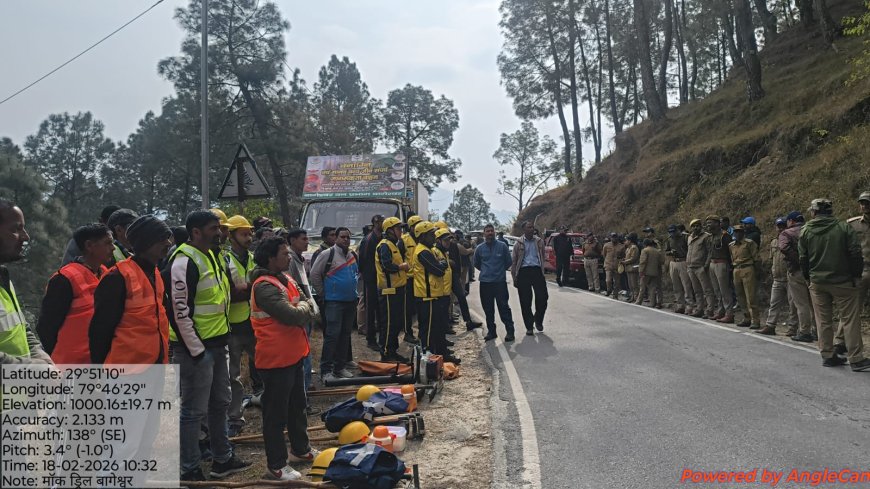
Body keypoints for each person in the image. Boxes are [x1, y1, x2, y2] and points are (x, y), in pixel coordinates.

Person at [164, 210, 249, 481]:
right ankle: (189, 469)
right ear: (196, 232)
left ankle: (222, 459)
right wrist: (197, 351)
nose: (220, 233)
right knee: (193, 412)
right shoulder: (183, 260)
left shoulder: (213, 255)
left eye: (221, 228)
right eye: (214, 228)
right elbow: (179, 312)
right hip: (195, 351)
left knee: (219, 403)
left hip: (217, 343)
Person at [249, 236, 319, 480]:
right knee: (275, 415)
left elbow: (307, 303)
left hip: (294, 355)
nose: (289, 258)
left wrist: (305, 308)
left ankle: (300, 450)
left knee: (297, 407)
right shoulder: (264, 286)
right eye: (284, 254)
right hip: (275, 359)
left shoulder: (285, 278)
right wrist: (306, 310)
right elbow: (292, 315)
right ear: (270, 258)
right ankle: (276, 465)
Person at [89, 215, 172, 365]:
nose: (168, 243)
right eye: (161, 239)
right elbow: (100, 330)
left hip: (155, 366)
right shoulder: (117, 277)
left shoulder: (156, 274)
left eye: (167, 238)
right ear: (146, 243)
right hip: (125, 373)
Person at [798, 198, 869, 371]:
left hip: (817, 282)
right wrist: (856, 276)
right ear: (830, 211)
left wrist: (808, 278)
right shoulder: (843, 227)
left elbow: (803, 258)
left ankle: (828, 355)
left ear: (814, 212)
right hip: (843, 282)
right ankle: (856, 358)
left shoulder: (806, 230)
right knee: (850, 319)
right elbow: (855, 254)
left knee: (823, 320)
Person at [37, 223, 113, 363]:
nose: (113, 248)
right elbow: (46, 327)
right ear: (89, 246)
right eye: (107, 243)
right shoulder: (64, 278)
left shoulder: (107, 275)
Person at [0, 200, 53, 364]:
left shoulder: (3, 278)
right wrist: (31, 371)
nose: (26, 236)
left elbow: (20, 326)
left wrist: (41, 356)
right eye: (16, 229)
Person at [310, 227, 359, 382]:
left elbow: (356, 274)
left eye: (348, 237)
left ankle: (340, 368)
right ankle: (326, 371)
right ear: (336, 238)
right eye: (342, 237)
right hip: (334, 303)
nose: (346, 239)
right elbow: (314, 274)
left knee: (345, 335)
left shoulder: (352, 255)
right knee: (332, 336)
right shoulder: (327, 254)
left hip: (350, 301)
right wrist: (324, 294)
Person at [224, 215, 256, 437]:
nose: (249, 237)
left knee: (267, 366)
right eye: (244, 234)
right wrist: (249, 288)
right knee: (232, 375)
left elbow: (259, 287)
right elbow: (231, 293)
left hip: (255, 322)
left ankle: (270, 404)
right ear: (231, 235)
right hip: (234, 325)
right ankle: (234, 417)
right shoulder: (225, 260)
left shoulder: (254, 258)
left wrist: (246, 287)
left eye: (250, 233)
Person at [412, 222, 457, 362]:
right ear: (423, 236)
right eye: (431, 234)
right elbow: (438, 270)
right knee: (429, 330)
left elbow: (440, 265)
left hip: (432, 296)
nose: (434, 237)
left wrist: (441, 264)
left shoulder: (428, 249)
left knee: (436, 328)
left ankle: (439, 354)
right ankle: (428, 357)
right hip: (427, 297)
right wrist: (442, 264)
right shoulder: (423, 252)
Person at [286, 228, 320, 413]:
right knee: (302, 358)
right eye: (303, 239)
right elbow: (294, 290)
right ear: (292, 240)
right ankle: (302, 401)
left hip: (304, 312)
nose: (307, 242)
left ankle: (304, 395)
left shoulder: (297, 258)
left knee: (305, 356)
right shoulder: (290, 259)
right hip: (299, 314)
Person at [375, 217, 411, 362]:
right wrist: (402, 266)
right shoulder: (384, 246)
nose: (401, 231)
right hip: (388, 291)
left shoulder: (393, 244)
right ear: (389, 230)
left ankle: (392, 350)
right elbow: (387, 266)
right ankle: (385, 352)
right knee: (388, 323)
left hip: (397, 289)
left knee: (396, 322)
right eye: (398, 229)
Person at [779, 211, 817, 342]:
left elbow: (783, 247)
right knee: (815, 303)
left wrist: (798, 260)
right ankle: (817, 331)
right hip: (814, 271)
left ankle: (805, 331)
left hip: (796, 271)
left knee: (802, 304)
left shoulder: (786, 233)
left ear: (791, 221)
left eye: (788, 221)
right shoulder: (812, 230)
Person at [474, 223, 515, 342]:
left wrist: (498, 272)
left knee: (504, 307)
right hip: (485, 283)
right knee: (488, 309)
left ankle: (510, 331)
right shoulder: (479, 248)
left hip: (499, 283)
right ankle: (492, 332)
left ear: (495, 232)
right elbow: (476, 263)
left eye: (492, 231)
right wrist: (487, 271)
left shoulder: (502, 246)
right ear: (484, 233)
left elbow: (508, 262)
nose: (490, 233)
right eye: (487, 231)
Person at [758, 218, 797, 336]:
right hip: (777, 278)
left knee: (793, 304)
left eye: (783, 226)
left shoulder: (792, 239)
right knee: (774, 303)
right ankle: (770, 325)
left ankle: (793, 327)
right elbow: (772, 259)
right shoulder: (774, 242)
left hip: (790, 276)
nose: (780, 228)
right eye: (778, 226)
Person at [511, 221, 548, 335]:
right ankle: (529, 326)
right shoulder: (518, 244)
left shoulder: (539, 242)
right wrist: (514, 277)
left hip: (537, 271)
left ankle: (538, 319)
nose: (531, 229)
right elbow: (514, 261)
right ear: (524, 230)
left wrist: (543, 271)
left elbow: (542, 256)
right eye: (529, 227)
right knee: (525, 301)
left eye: (532, 227)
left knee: (543, 297)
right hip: (523, 272)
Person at [358, 215, 385, 351]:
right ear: (376, 223)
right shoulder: (369, 239)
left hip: (379, 278)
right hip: (371, 279)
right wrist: (366, 276)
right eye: (381, 222)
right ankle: (371, 339)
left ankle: (380, 338)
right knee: (370, 309)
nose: (383, 224)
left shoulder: (382, 237)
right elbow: (363, 259)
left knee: (380, 310)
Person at [728, 225, 762, 329]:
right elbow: (731, 257)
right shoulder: (731, 245)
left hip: (748, 268)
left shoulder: (749, 243)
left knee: (750, 296)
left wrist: (757, 271)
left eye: (739, 231)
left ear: (743, 233)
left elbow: (756, 259)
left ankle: (755, 320)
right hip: (736, 269)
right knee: (740, 295)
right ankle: (746, 317)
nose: (737, 233)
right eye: (736, 231)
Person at [686, 219, 716, 318]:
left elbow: (710, 252)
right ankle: (699, 309)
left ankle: (709, 310)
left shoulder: (706, 237)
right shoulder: (689, 237)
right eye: (694, 226)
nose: (696, 227)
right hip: (691, 267)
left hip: (700, 267)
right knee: (697, 290)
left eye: (698, 225)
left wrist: (706, 266)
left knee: (707, 289)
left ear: (701, 226)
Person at [707, 216, 734, 322]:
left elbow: (731, 252)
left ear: (717, 223)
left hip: (722, 263)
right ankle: (720, 311)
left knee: (724, 290)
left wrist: (731, 266)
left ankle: (729, 313)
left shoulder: (725, 236)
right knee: (717, 290)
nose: (708, 225)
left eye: (710, 222)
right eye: (707, 223)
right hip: (712, 264)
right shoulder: (710, 237)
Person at [847, 191, 870, 310]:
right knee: (854, 307)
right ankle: (850, 329)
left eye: (867, 203)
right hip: (861, 270)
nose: (864, 206)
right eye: (862, 203)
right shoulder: (852, 224)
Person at [402, 217, 422, 344]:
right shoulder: (404, 240)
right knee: (407, 309)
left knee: (420, 307)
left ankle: (421, 332)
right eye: (416, 225)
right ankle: (407, 333)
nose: (418, 227)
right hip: (408, 279)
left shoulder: (422, 239)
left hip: (419, 278)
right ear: (411, 227)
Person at [665, 224, 693, 314]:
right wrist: (670, 252)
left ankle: (689, 305)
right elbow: (666, 251)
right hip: (673, 262)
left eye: (673, 231)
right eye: (670, 232)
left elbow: (690, 250)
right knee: (676, 285)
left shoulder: (685, 237)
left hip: (683, 261)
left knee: (686, 284)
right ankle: (680, 304)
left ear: (677, 230)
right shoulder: (669, 239)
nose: (672, 234)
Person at [636, 239, 665, 308]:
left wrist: (641, 271)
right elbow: (662, 261)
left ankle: (638, 302)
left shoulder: (645, 250)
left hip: (646, 272)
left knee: (642, 287)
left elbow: (643, 262)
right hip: (655, 272)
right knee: (653, 288)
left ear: (645, 244)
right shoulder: (657, 251)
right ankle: (652, 303)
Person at [601, 233, 624, 297]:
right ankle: (609, 290)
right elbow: (604, 254)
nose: (614, 238)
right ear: (610, 238)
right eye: (612, 237)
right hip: (608, 265)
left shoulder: (621, 246)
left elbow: (623, 255)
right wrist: (607, 261)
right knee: (608, 280)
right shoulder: (606, 245)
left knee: (616, 282)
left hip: (617, 266)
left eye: (615, 237)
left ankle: (615, 294)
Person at [621, 233, 640, 302]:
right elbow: (628, 257)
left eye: (626, 240)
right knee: (630, 284)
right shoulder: (628, 248)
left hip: (633, 268)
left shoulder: (634, 247)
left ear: (630, 241)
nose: (625, 242)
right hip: (628, 268)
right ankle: (632, 296)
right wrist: (624, 259)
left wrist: (625, 262)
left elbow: (633, 258)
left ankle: (636, 297)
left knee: (634, 284)